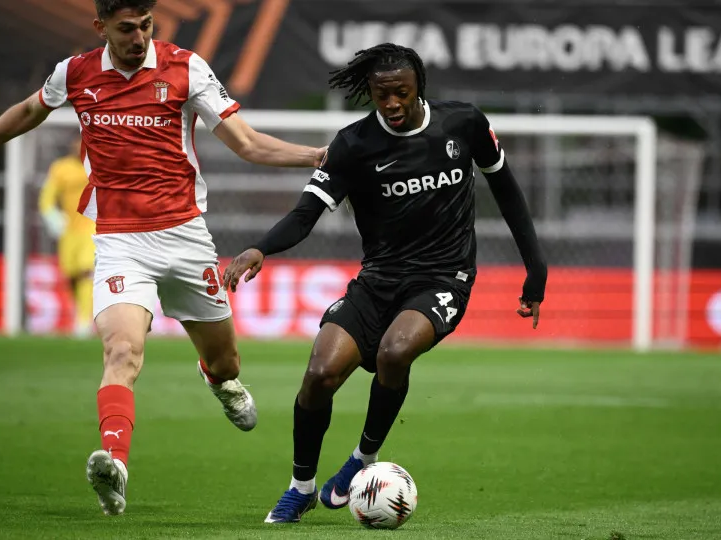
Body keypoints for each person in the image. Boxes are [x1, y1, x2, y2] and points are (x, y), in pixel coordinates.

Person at [0, 0, 326, 517]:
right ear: (100, 27)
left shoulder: (186, 67)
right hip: (120, 242)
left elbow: (247, 143)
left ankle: (218, 380)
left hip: (186, 237)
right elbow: (29, 111)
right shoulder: (75, 73)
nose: (138, 37)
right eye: (126, 29)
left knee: (226, 360)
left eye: (146, 26)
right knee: (122, 352)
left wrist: (315, 156)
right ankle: (115, 464)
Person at [222, 43, 548, 524]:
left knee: (395, 352)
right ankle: (301, 487)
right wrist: (260, 248)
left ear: (419, 87)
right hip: (377, 280)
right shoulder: (354, 145)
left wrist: (535, 271)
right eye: (381, 95)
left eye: (402, 93)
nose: (392, 103)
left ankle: (363, 458)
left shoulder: (463, 124)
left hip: (444, 277)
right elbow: (305, 214)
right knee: (320, 375)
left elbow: (507, 191)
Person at [38, 135, 96, 337]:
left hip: (92, 227)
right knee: (71, 275)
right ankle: (79, 313)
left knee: (86, 271)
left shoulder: (98, 166)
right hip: (69, 230)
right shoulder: (60, 168)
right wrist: (53, 217)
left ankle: (84, 322)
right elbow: (46, 198)